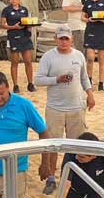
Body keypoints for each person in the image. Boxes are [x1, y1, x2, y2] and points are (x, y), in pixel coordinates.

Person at [35, 24, 95, 195]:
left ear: (71, 39)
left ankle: (74, 178)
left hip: (77, 107)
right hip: (55, 108)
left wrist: (90, 94)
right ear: (55, 39)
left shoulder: (79, 55)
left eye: (66, 39)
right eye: (60, 38)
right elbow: (38, 80)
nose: (63, 42)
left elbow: (84, 78)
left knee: (76, 145)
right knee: (53, 145)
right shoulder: (48, 56)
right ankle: (50, 178)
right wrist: (57, 79)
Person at [1, 0, 36, 93]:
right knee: (15, 62)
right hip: (13, 37)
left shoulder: (24, 10)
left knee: (28, 61)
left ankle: (30, 84)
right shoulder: (6, 10)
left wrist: (29, 25)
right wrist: (13, 27)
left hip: (24, 36)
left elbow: (27, 22)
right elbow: (2, 25)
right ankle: (15, 85)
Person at [82, 0, 104, 90]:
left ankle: (101, 83)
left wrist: (99, 18)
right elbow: (82, 17)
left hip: (101, 31)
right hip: (90, 30)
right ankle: (89, 81)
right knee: (90, 58)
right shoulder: (87, 2)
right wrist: (89, 19)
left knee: (101, 59)